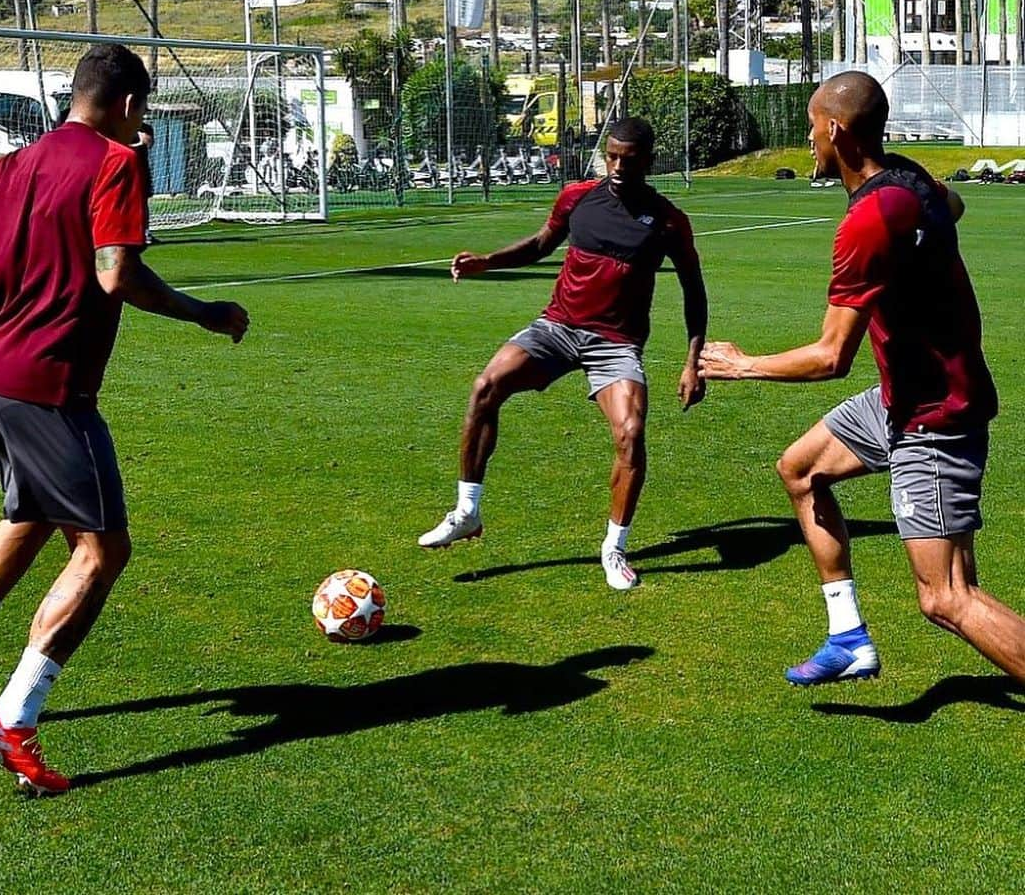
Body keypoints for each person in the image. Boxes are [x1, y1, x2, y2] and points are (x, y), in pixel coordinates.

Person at [0, 44, 250, 794]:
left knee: (38, 511)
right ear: (130, 106)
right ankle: (11, 721)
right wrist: (205, 312)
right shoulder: (115, 167)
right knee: (103, 550)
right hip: (48, 387)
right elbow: (118, 275)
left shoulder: (14, 162)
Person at [699, 70, 1025, 687]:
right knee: (801, 469)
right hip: (902, 396)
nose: (808, 137)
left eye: (811, 124)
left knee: (948, 597)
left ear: (835, 129)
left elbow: (830, 356)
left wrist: (743, 365)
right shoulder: (911, 179)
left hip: (934, 416)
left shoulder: (869, 221)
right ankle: (848, 639)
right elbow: (953, 205)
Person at [418, 117, 708, 590]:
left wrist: (692, 359)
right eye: (610, 156)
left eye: (627, 160)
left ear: (648, 162)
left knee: (631, 433)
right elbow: (539, 244)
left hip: (615, 344)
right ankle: (467, 511)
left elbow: (694, 290)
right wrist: (486, 262)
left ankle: (614, 548)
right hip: (557, 327)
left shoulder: (670, 221)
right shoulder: (577, 197)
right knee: (485, 387)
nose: (615, 166)